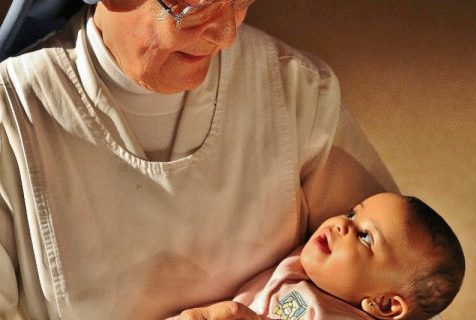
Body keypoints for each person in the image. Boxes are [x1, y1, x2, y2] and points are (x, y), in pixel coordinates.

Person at [0, 0, 398, 319]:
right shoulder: (11, 115)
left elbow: (406, 286)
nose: (226, 34)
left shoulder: (296, 89)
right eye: (195, 4)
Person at [179, 193, 465, 320]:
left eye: (365, 236)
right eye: (352, 213)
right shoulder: (308, 265)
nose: (342, 223)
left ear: (385, 303)